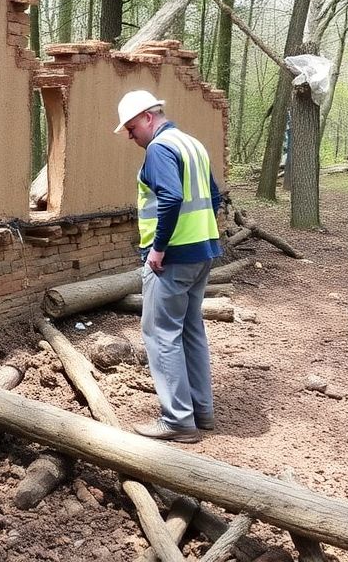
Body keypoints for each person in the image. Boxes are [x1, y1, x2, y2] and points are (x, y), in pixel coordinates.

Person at [114, 90, 223, 442]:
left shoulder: (159, 149)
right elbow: (215, 195)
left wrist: (158, 248)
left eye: (131, 128)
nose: (131, 137)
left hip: (172, 258)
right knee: (191, 329)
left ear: (148, 117)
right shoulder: (191, 144)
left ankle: (177, 419)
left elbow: (172, 197)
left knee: (161, 334)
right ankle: (200, 411)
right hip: (202, 252)